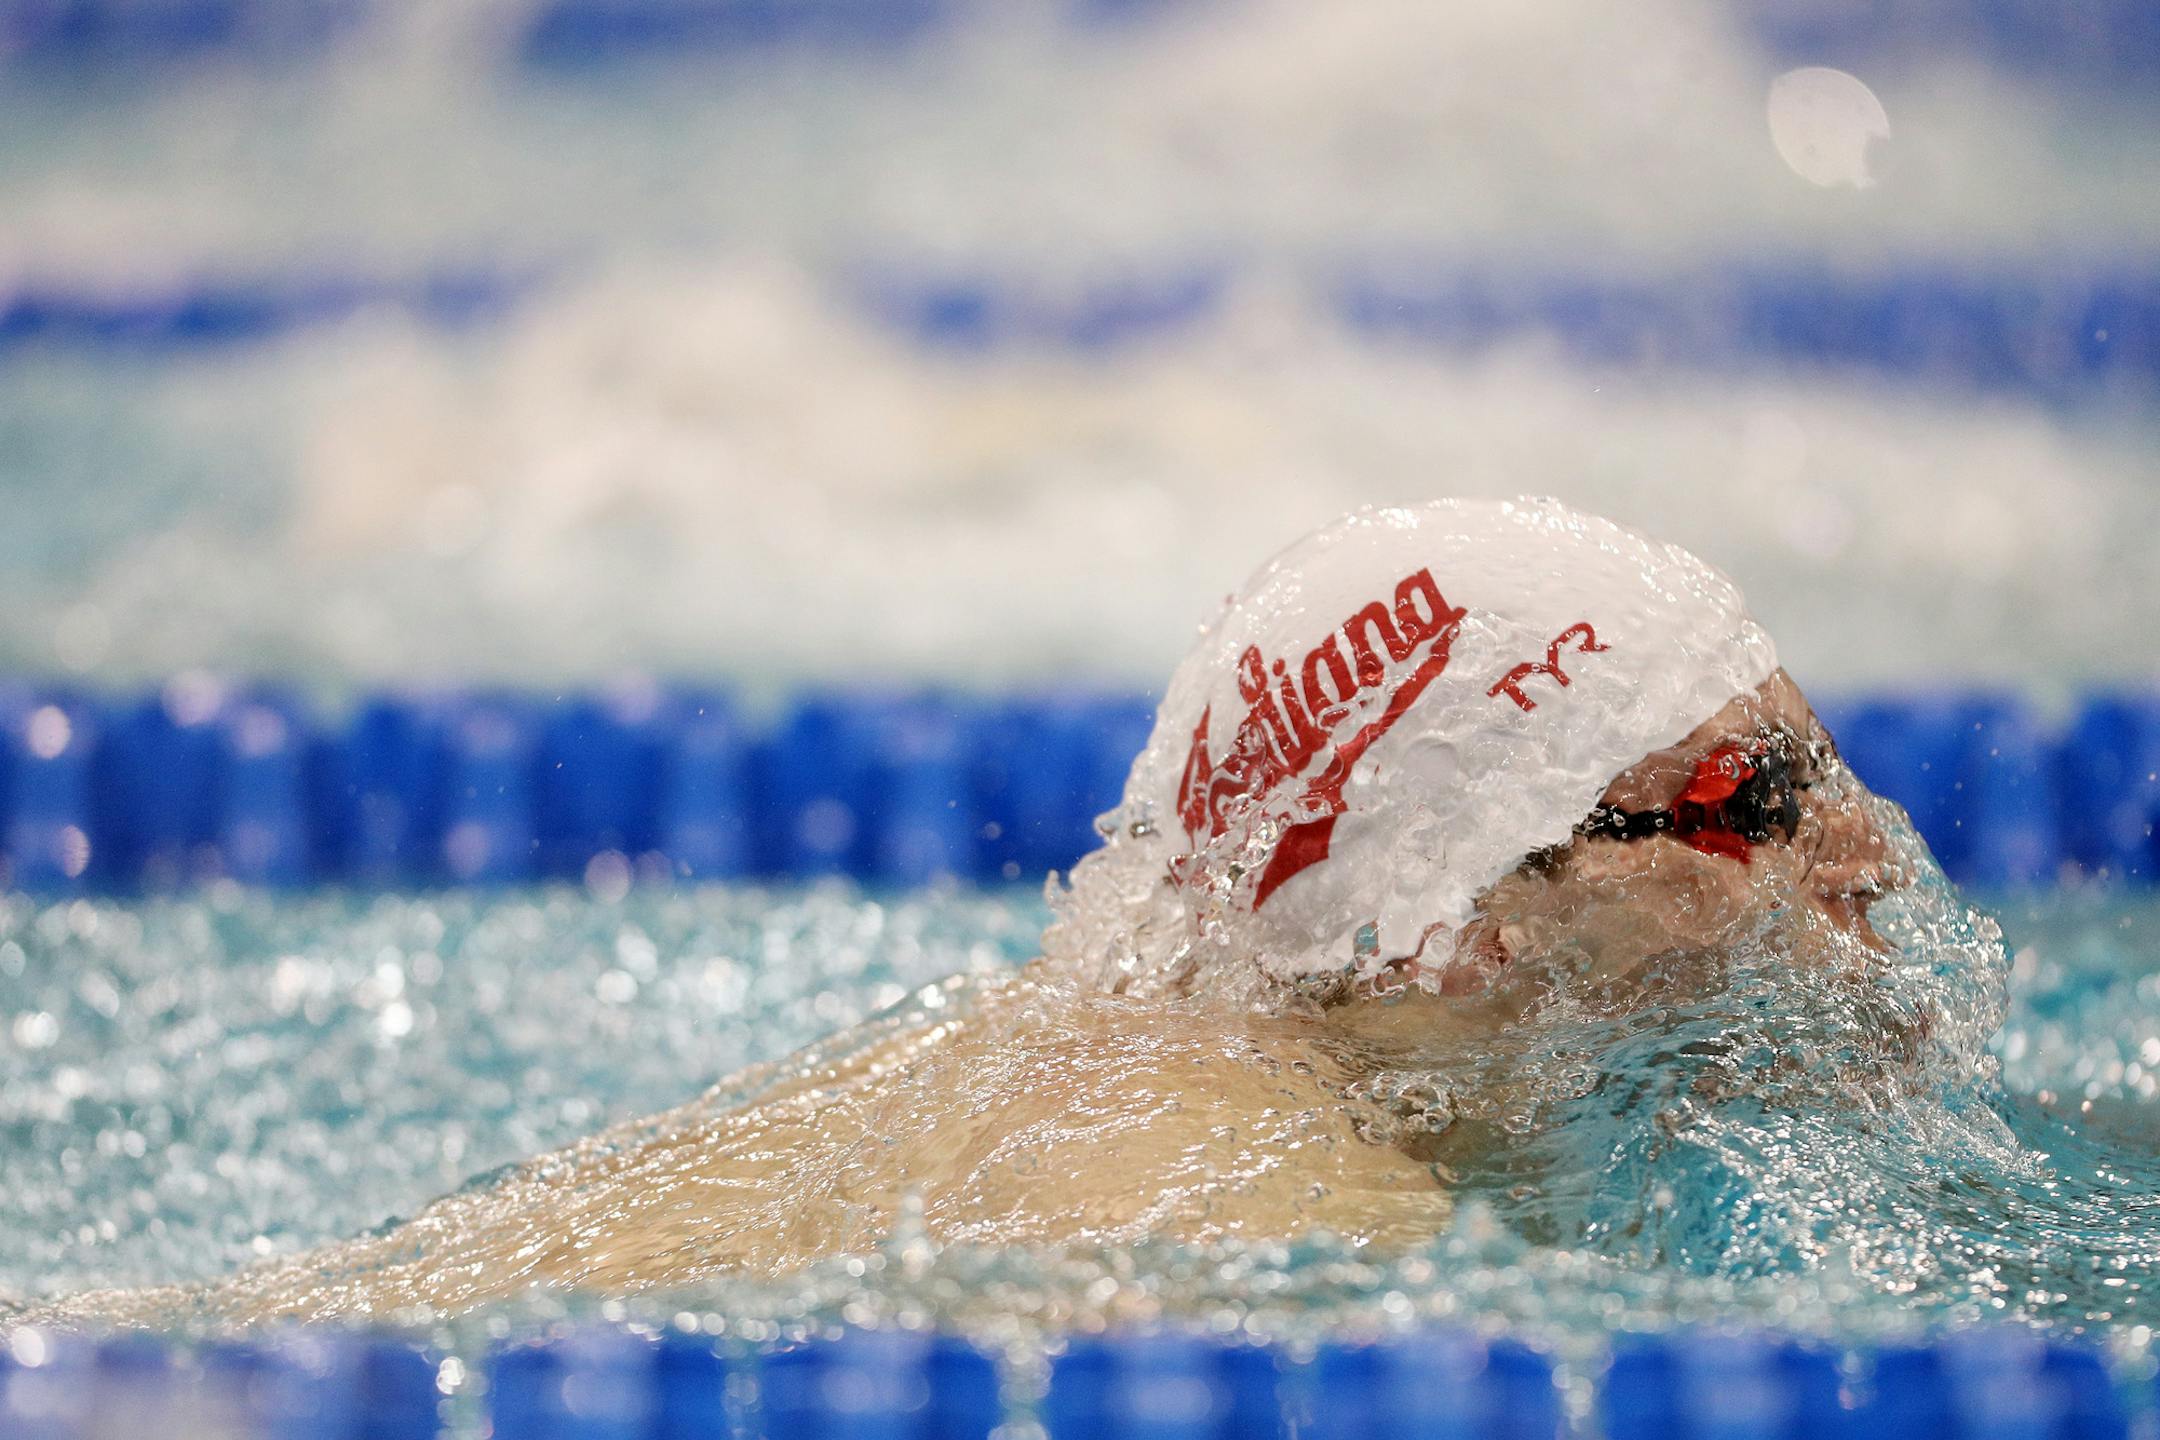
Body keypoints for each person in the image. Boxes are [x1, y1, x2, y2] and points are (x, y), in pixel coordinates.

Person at [35, 498, 1907, 1326]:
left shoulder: (1181, 1081)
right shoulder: (1245, 1204)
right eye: (1767, 800)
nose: (1878, 846)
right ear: (1449, 926)